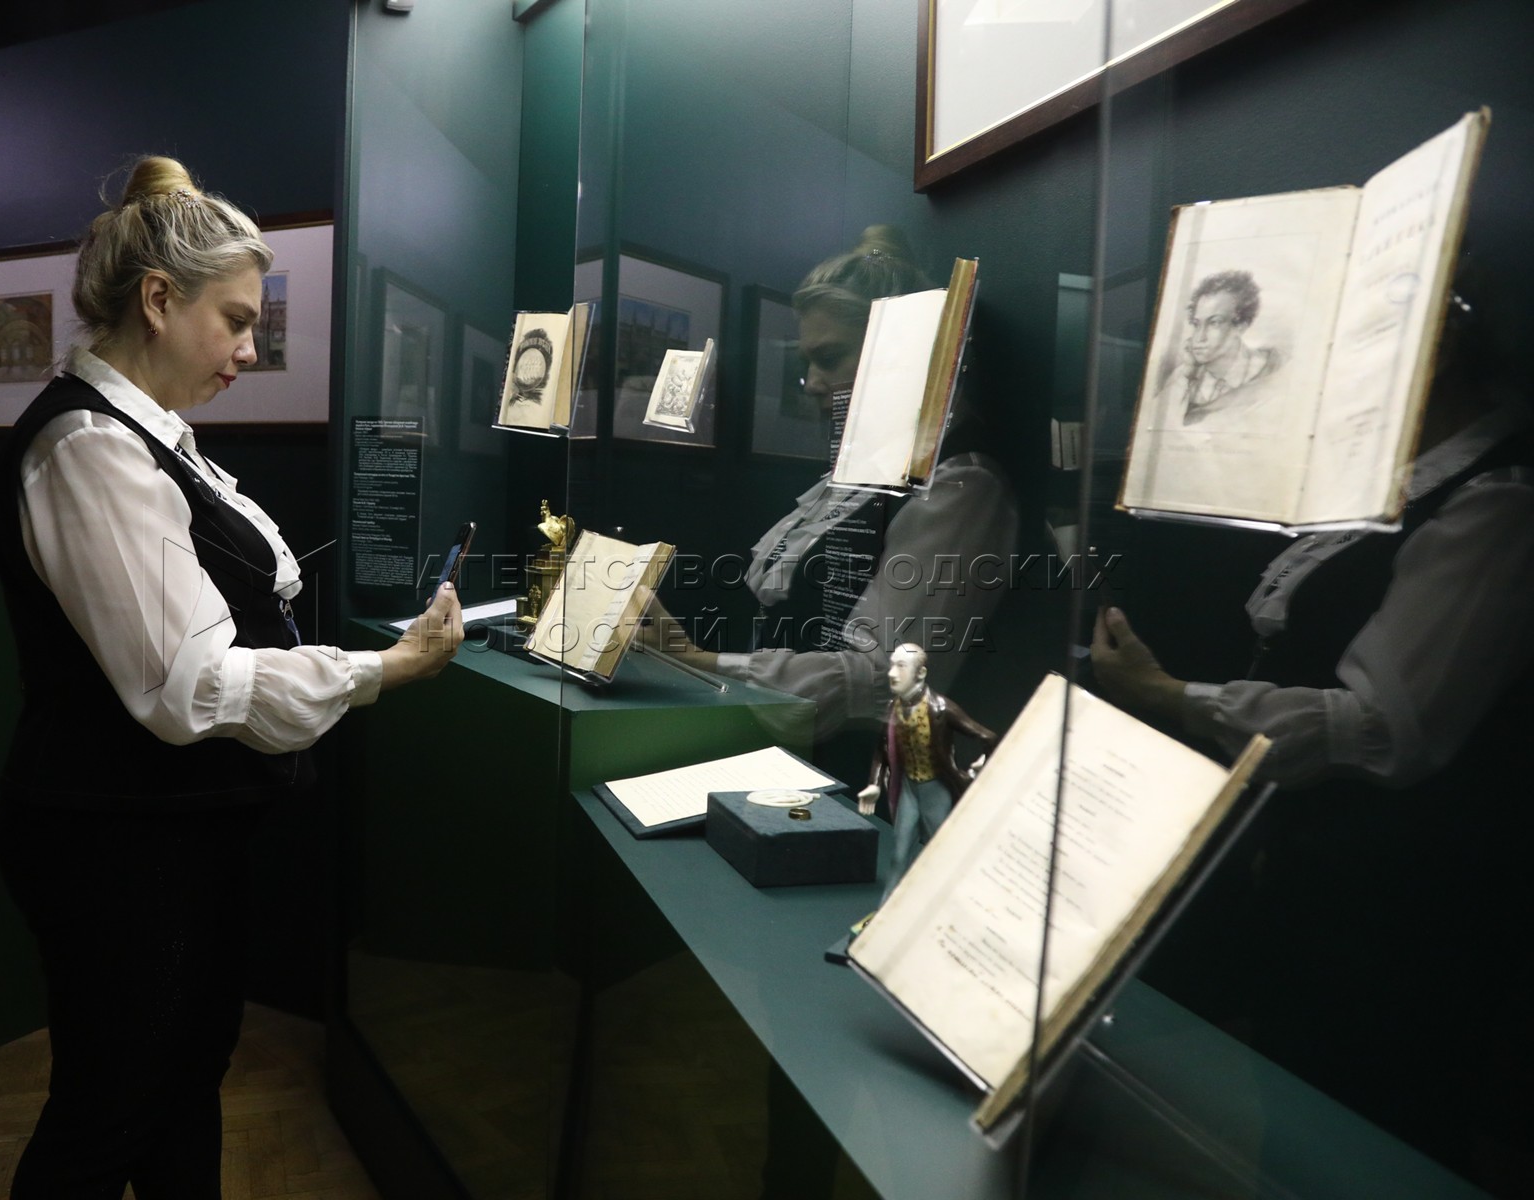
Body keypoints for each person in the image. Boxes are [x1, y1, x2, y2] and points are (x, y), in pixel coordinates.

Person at [0, 155, 463, 1198]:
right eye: (237, 321)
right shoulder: (89, 446)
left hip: (169, 833)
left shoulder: (152, 440)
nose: (250, 350)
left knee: (182, 1078)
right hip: (112, 840)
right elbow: (188, 688)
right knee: (109, 1110)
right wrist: (384, 669)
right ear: (159, 300)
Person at [1090, 281, 1533, 1188]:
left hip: (1401, 911)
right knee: (1293, 1126)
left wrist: (1169, 694)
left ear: (1436, 350)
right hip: (1316, 885)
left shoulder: (1500, 498)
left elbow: (1380, 727)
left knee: (1374, 1137)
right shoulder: (1401, 480)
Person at [644, 227, 1020, 745]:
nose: (813, 383)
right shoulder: (864, 471)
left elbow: (887, 679)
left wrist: (693, 657)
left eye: (829, 358)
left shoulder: (961, 484)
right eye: (808, 362)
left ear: (899, 355)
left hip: (866, 768)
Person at [856, 643, 995, 896]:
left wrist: (982, 764)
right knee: (900, 854)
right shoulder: (894, 708)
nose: (892, 673)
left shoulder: (941, 708)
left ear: (920, 673)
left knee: (942, 854)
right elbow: (882, 749)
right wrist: (875, 784)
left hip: (936, 790)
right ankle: (888, 909)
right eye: (892, 665)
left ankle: (946, 907)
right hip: (909, 789)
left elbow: (987, 737)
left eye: (901, 666)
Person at [1155, 269, 1280, 426]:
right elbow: (1157, 424)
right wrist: (1186, 377)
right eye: (1196, 324)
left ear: (1241, 326)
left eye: (1214, 323)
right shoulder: (1184, 375)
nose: (1199, 338)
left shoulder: (1270, 376)